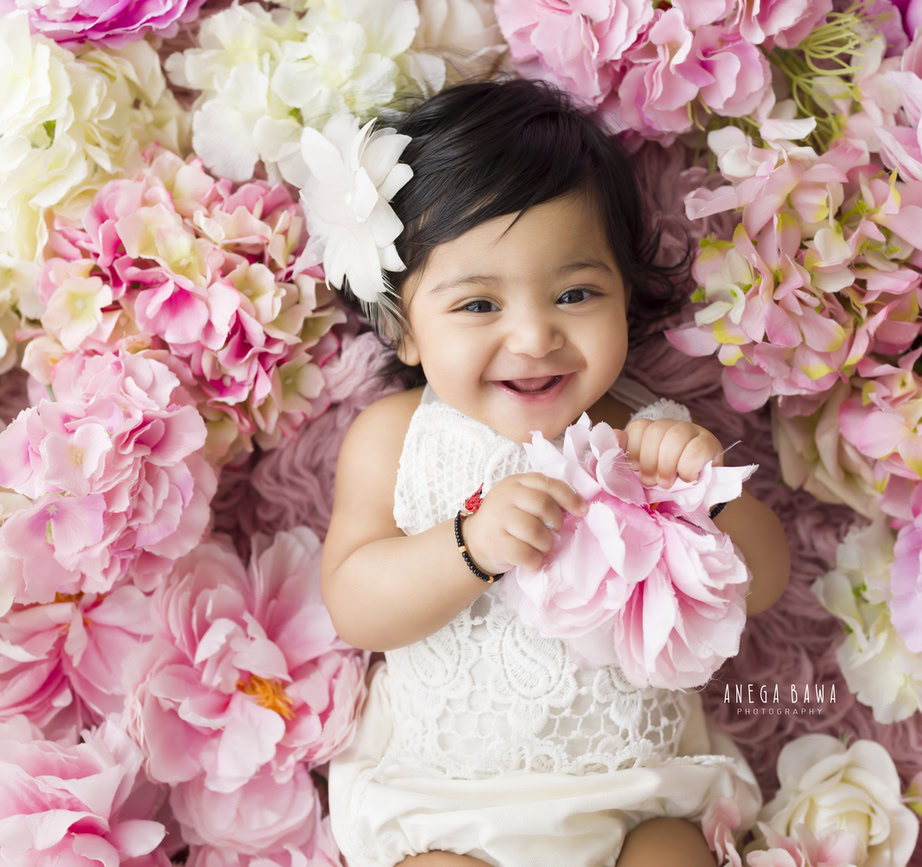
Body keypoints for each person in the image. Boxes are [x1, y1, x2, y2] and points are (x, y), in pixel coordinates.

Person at [318, 77, 791, 867]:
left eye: (574, 293)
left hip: (636, 791)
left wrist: (707, 494)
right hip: (450, 802)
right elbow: (356, 605)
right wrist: (467, 545)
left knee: (673, 855)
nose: (535, 337)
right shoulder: (395, 437)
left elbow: (766, 581)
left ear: (625, 298)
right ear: (403, 328)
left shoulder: (646, 438)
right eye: (478, 305)